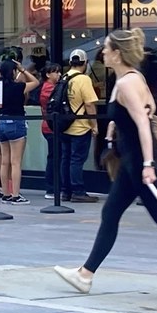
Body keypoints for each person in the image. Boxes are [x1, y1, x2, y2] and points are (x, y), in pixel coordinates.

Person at [53, 28, 157, 302]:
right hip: (133, 161)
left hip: (140, 162)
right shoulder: (131, 78)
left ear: (117, 54)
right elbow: (149, 107)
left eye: (106, 48)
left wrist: (149, 163)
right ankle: (85, 274)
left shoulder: (127, 83)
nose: (102, 52)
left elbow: (143, 121)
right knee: (113, 213)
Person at [0, 58, 39, 204]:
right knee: (15, 162)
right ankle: (15, 194)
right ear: (13, 71)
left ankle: (6, 193)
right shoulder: (18, 87)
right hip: (16, 122)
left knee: (4, 162)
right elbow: (35, 82)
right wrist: (23, 69)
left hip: (0, 121)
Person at [61, 49, 99, 203]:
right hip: (80, 126)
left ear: (70, 62)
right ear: (85, 63)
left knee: (66, 158)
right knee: (76, 160)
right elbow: (89, 104)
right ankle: (78, 190)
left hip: (65, 124)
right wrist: (94, 124)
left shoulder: (64, 77)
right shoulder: (83, 79)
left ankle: (65, 191)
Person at [38, 62, 62, 199]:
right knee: (53, 157)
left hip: (50, 127)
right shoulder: (48, 88)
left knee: (55, 157)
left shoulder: (52, 87)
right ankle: (51, 188)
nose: (58, 74)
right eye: (55, 72)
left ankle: (53, 187)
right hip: (50, 127)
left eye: (59, 72)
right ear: (48, 74)